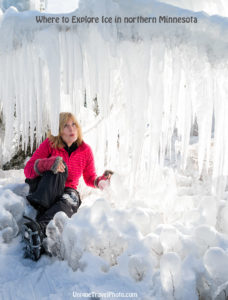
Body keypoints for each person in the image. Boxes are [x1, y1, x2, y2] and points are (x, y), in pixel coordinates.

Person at [23, 112, 113, 261]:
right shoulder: (50, 144)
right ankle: (41, 218)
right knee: (59, 163)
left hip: (67, 192)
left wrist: (100, 181)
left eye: (74, 125)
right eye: (66, 125)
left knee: (70, 201)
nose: (71, 129)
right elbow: (28, 169)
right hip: (46, 191)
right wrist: (49, 163)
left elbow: (90, 177)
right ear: (59, 131)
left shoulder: (85, 150)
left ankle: (38, 231)